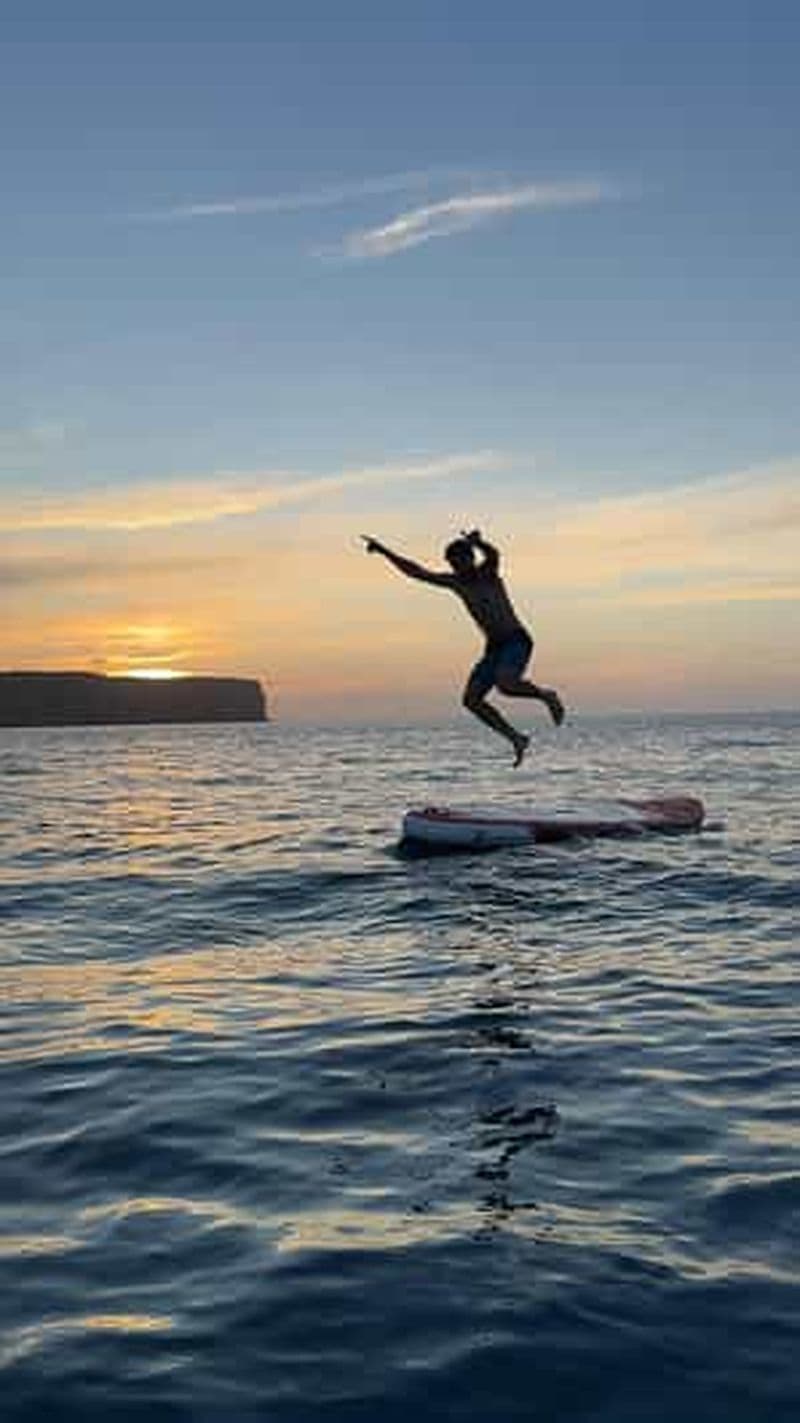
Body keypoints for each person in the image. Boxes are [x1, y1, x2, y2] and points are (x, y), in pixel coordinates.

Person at [362, 529, 564, 766]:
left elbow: (493, 554)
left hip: (516, 640)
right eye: (454, 564)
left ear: (471, 559)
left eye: (461, 561)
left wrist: (479, 543)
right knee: (471, 700)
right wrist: (384, 550)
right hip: (494, 648)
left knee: (506, 685)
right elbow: (416, 572)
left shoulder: (487, 573)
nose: (458, 568)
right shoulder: (455, 582)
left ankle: (546, 695)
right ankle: (516, 738)